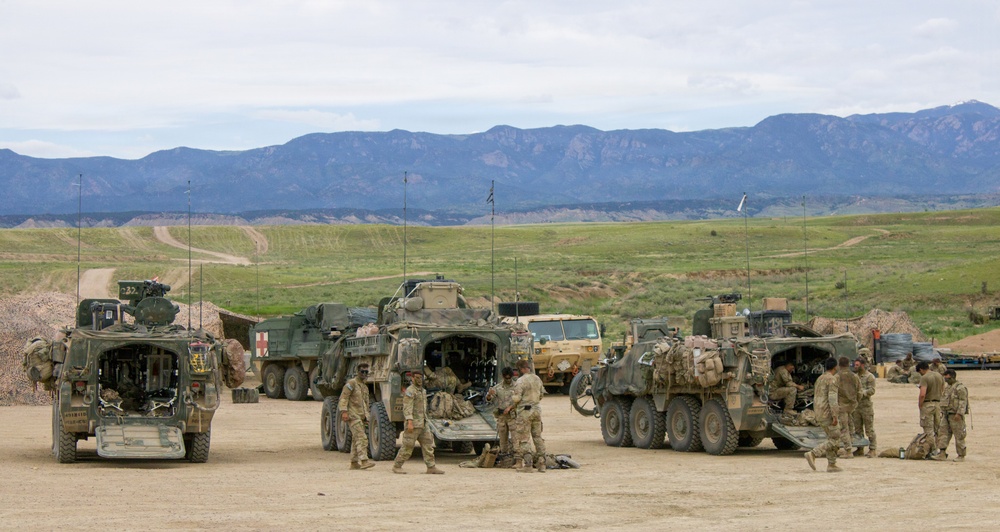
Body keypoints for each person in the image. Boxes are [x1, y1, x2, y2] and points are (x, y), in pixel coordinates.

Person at [392, 370, 444, 474]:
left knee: (428, 445)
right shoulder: (410, 391)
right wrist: (409, 421)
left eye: (421, 378)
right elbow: (407, 407)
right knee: (408, 446)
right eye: (416, 378)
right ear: (412, 378)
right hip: (414, 424)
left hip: (423, 423)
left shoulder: (423, 391)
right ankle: (397, 465)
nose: (419, 380)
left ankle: (431, 466)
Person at [506, 359, 546, 473]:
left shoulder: (520, 381)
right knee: (537, 437)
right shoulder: (537, 379)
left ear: (521, 369)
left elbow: (517, 398)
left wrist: (512, 398)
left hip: (525, 412)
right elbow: (541, 394)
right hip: (537, 410)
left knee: (524, 438)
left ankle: (528, 464)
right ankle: (542, 463)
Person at [805, 357, 843, 473]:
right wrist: (835, 415)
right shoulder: (832, 379)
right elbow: (832, 399)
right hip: (828, 413)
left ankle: (832, 464)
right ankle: (813, 453)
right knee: (835, 438)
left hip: (819, 412)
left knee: (831, 437)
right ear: (835, 367)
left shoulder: (820, 379)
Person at [338, 363, 375, 470]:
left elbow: (365, 403)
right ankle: (364, 461)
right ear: (357, 372)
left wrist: (366, 417)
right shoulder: (351, 383)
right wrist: (344, 412)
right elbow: (344, 398)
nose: (364, 374)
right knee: (362, 438)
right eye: (362, 371)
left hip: (361, 416)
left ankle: (354, 462)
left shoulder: (364, 386)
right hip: (353, 415)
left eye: (366, 372)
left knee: (355, 439)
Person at [935, 369, 968, 462]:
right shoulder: (948, 387)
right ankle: (942, 453)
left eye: (947, 377)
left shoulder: (960, 388)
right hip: (946, 414)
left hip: (955, 415)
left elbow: (963, 401)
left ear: (952, 377)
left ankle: (961, 455)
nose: (946, 379)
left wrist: (959, 413)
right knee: (943, 433)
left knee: (959, 435)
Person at [916, 360, 946, 457]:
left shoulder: (925, 378)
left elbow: (922, 394)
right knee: (938, 429)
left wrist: (920, 405)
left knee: (928, 429)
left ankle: (932, 451)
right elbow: (943, 390)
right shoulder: (939, 375)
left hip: (927, 405)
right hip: (938, 404)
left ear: (921, 369)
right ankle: (940, 450)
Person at [486, 367, 517, 455]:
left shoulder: (517, 387)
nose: (508, 379)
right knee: (503, 438)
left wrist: (510, 407)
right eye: (506, 377)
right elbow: (490, 399)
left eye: (509, 377)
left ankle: (517, 456)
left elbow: (520, 401)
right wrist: (489, 395)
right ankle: (504, 455)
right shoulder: (498, 387)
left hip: (512, 416)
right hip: (502, 416)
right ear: (503, 377)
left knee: (515, 438)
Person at [852, 358, 877, 458]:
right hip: (856, 407)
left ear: (862, 365)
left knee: (869, 429)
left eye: (857, 365)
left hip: (866, 406)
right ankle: (860, 448)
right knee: (857, 429)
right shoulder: (855, 377)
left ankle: (872, 449)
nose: (855, 366)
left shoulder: (869, 377)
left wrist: (862, 393)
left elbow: (872, 390)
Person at [836, 356, 861, 457]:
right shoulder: (854, 376)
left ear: (839, 365)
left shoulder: (837, 377)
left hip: (842, 406)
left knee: (843, 428)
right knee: (851, 426)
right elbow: (860, 392)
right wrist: (856, 402)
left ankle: (848, 450)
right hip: (852, 405)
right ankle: (851, 443)